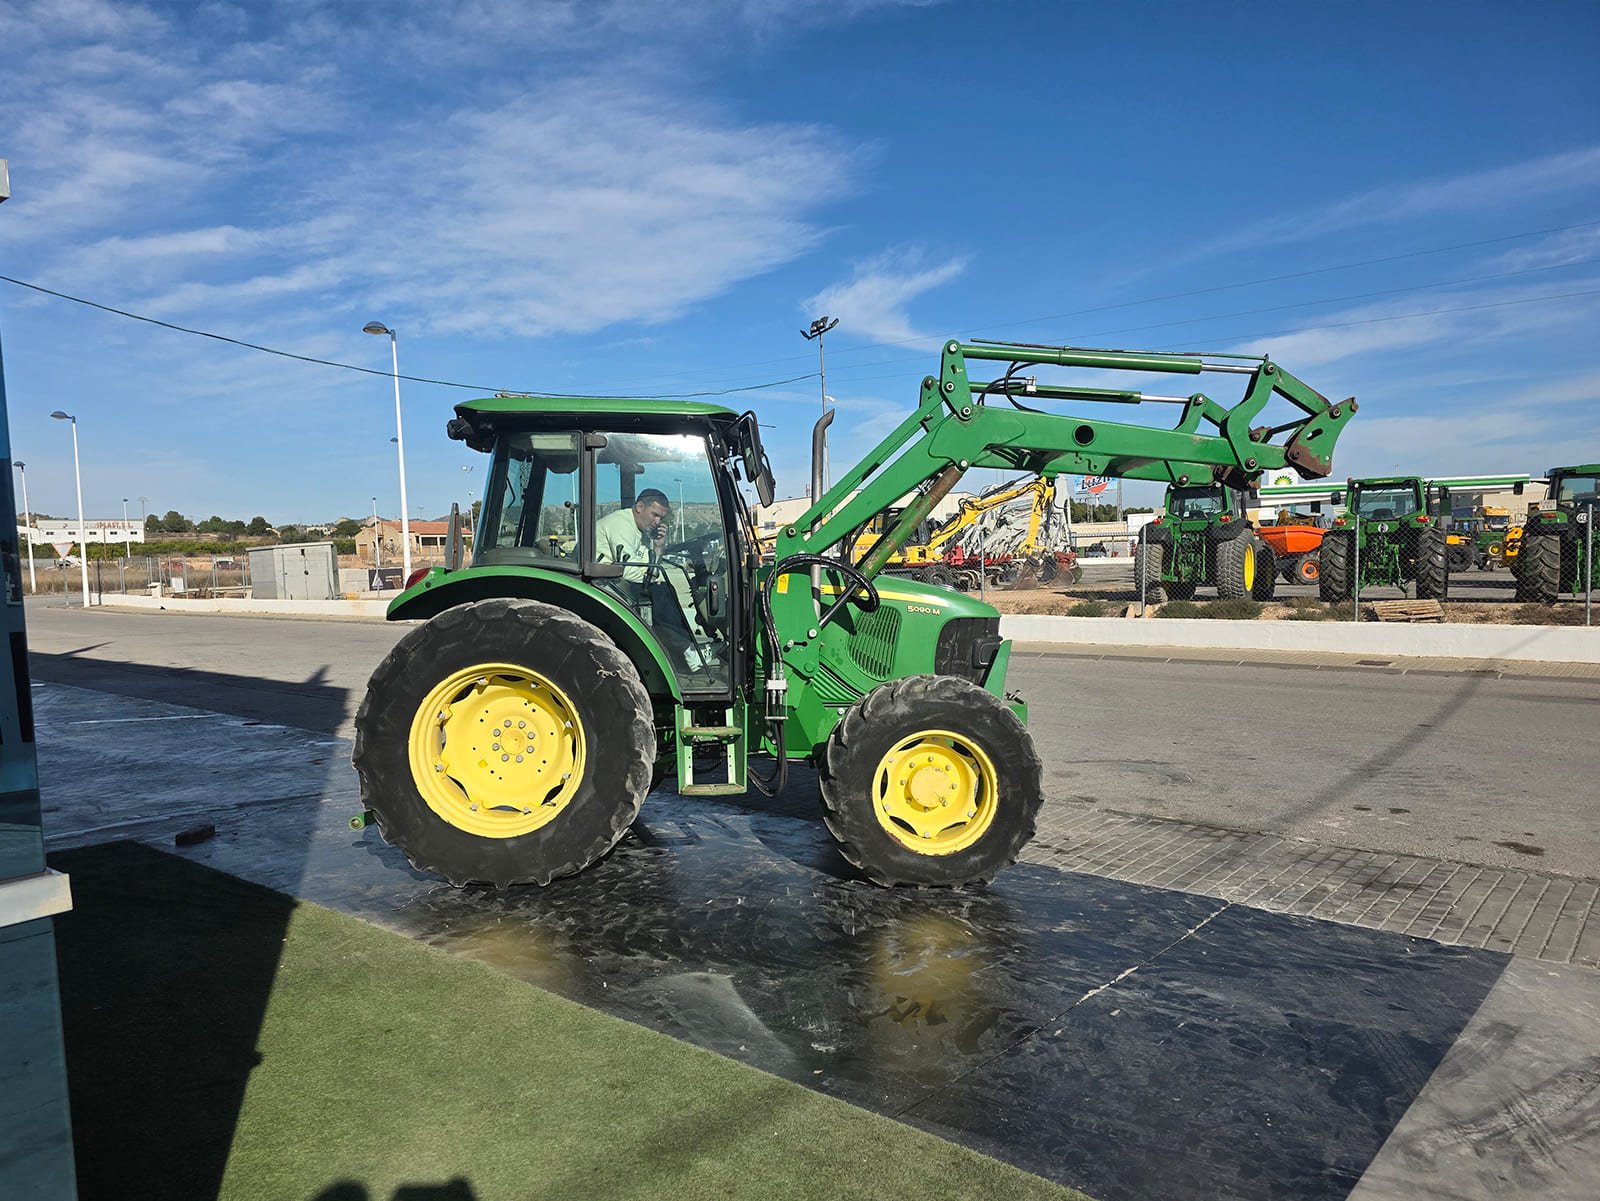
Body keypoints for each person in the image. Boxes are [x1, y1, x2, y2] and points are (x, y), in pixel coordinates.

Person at [594, 490, 711, 674]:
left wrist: (658, 547)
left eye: (661, 517)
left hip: (613, 580)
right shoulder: (621, 525)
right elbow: (630, 571)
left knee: (663, 590)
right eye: (655, 515)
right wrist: (652, 575)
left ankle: (687, 649)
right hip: (603, 582)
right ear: (640, 507)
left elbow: (647, 568)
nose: (657, 522)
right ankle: (687, 651)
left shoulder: (636, 530)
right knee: (660, 592)